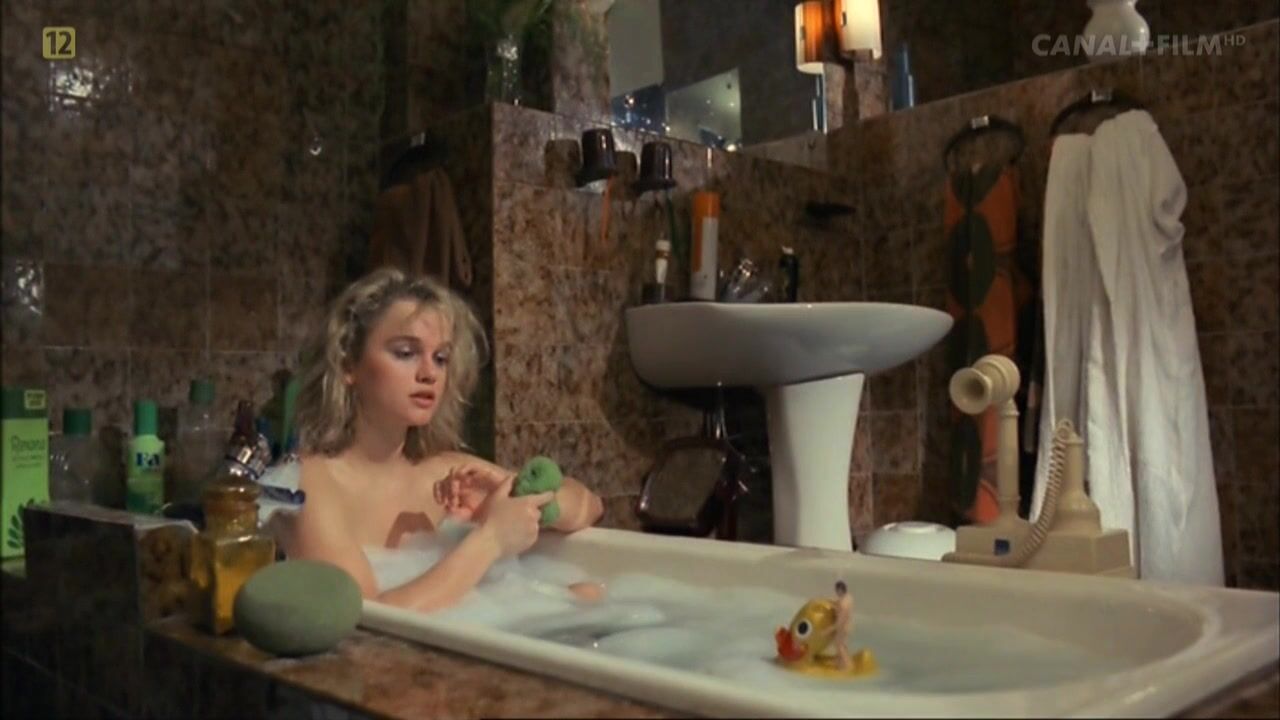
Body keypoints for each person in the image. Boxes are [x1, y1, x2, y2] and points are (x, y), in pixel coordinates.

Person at [284, 268, 604, 612]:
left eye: (440, 358)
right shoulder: (305, 483)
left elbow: (590, 506)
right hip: (393, 645)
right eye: (405, 352)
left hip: (486, 628)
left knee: (589, 592)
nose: (429, 373)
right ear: (349, 364)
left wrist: (521, 496)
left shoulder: (445, 472)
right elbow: (363, 619)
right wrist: (491, 539)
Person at [832, 580, 854, 670]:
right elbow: (840, 603)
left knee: (839, 645)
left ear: (840, 590)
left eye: (836, 591)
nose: (836, 593)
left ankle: (847, 666)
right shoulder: (849, 597)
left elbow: (839, 622)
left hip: (842, 627)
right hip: (848, 625)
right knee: (842, 644)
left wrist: (827, 630)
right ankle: (841, 662)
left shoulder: (843, 604)